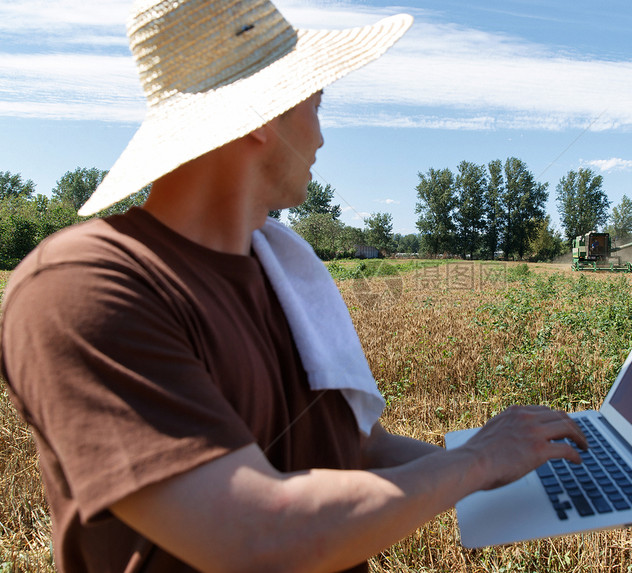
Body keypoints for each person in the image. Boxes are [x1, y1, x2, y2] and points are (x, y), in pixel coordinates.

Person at [0, 1, 587, 571]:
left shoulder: (280, 269)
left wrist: (529, 477)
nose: (322, 138)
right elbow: (257, 538)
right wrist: (479, 462)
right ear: (262, 118)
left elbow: (355, 450)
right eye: (316, 105)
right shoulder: (84, 289)